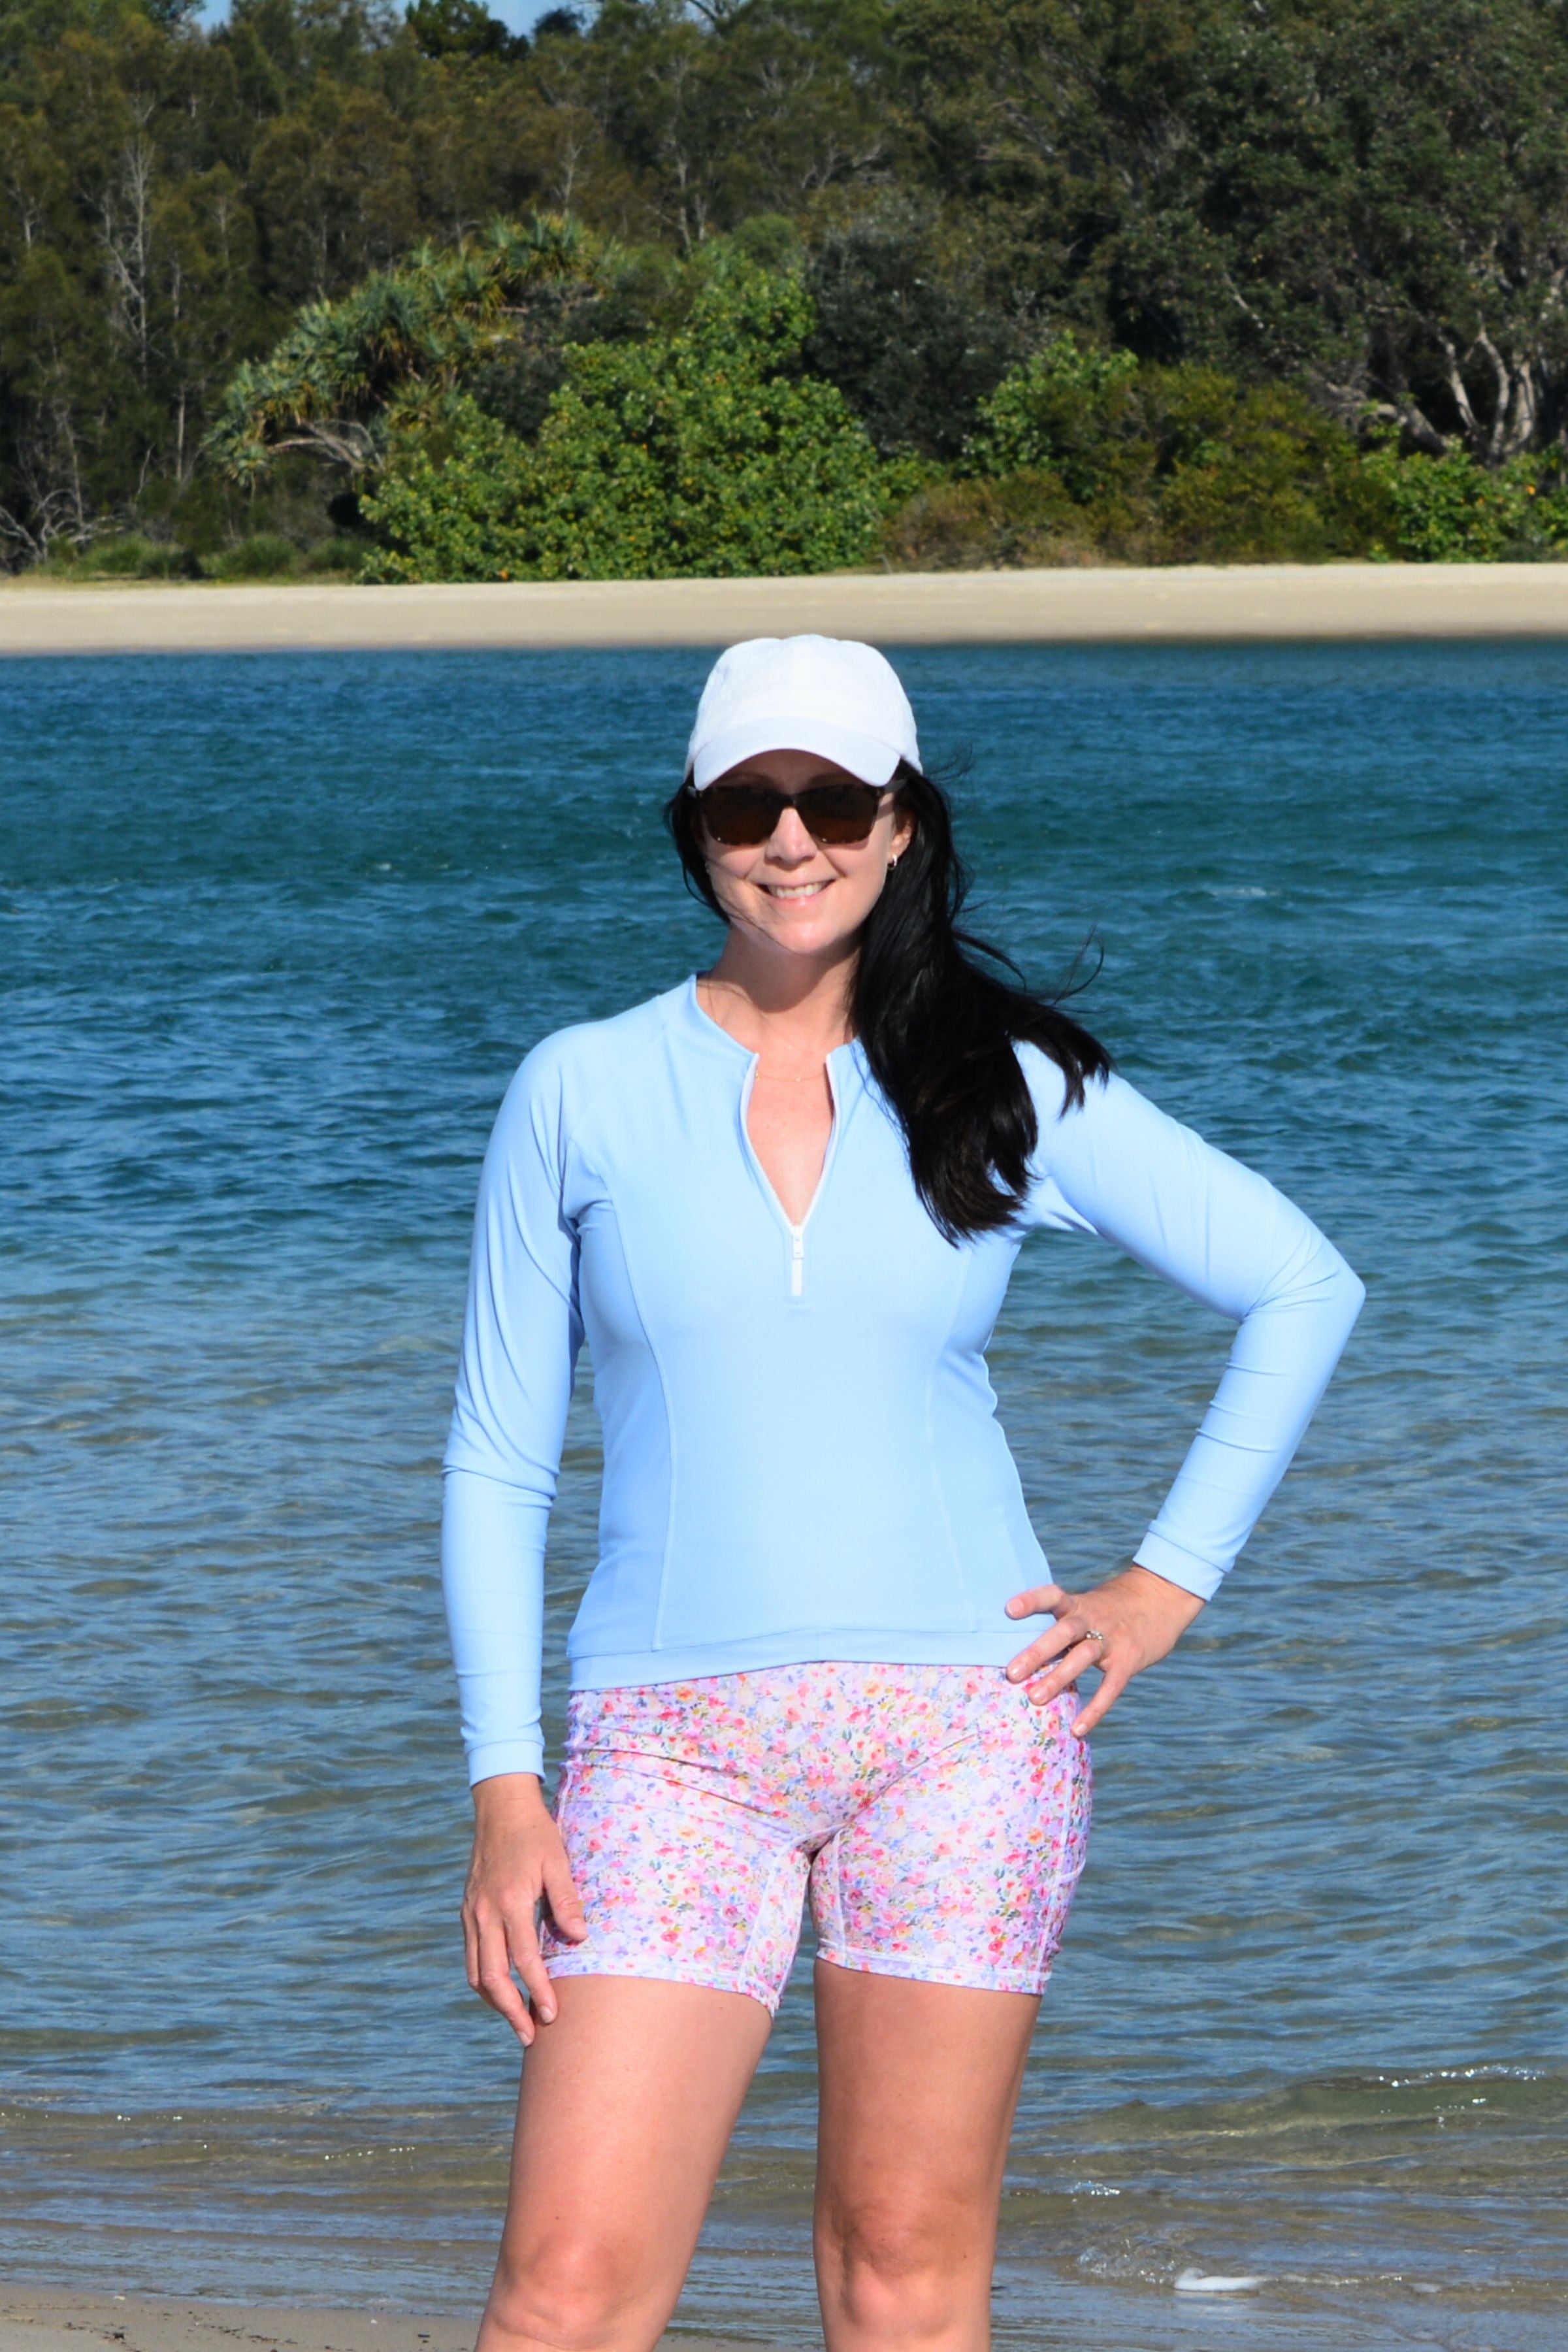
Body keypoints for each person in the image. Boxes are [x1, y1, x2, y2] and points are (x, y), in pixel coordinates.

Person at [441, 635, 1364, 2352]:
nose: (792, 841)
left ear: (903, 823)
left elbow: (1303, 1286)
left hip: (965, 1743)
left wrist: (1164, 1586)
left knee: (904, 2277)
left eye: (834, 801)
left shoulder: (1003, 1078)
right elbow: (499, 1460)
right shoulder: (579, 1090)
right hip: (667, 1749)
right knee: (565, 2290)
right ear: (696, 828)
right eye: (749, 804)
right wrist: (508, 1791)